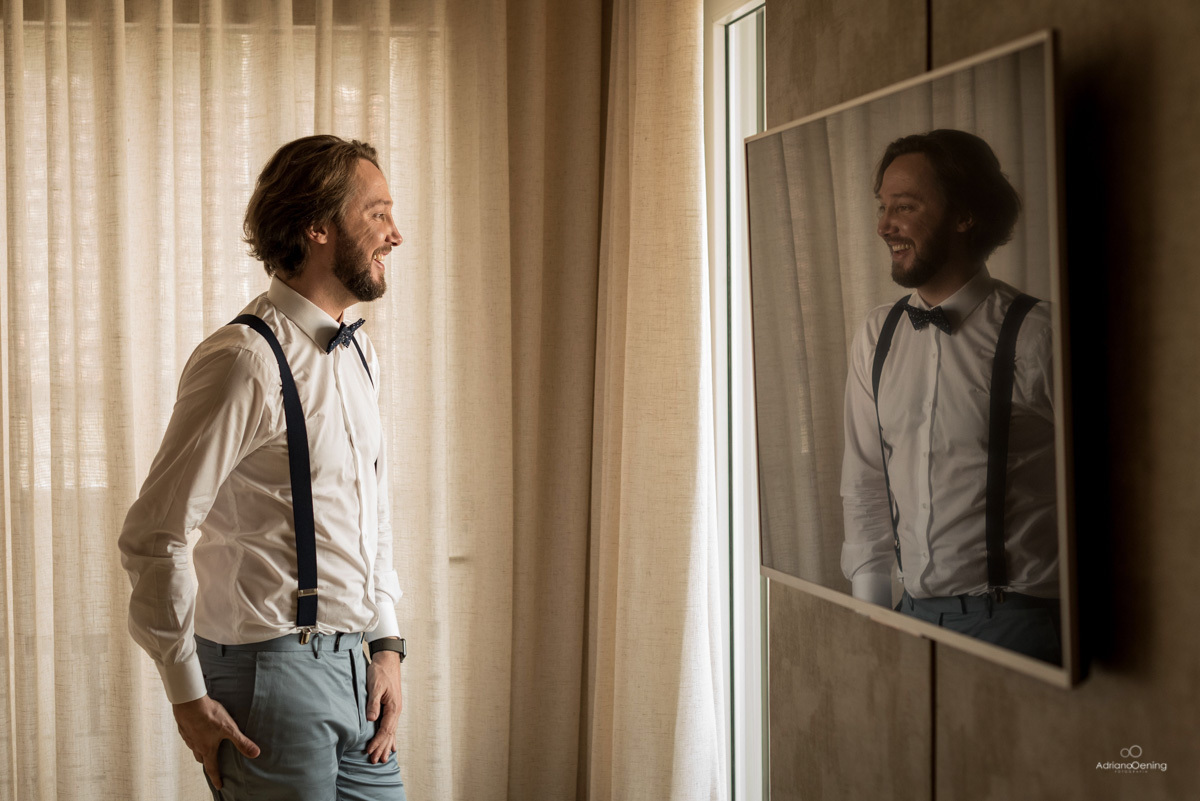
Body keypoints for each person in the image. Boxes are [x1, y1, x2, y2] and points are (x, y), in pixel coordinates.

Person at [119, 134, 408, 798]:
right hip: (269, 675)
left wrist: (386, 645)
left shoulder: (359, 354)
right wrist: (187, 693)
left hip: (357, 666)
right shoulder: (244, 359)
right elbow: (153, 535)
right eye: (377, 212)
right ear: (317, 227)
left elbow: (372, 514)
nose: (396, 233)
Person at [840, 129, 1061, 664]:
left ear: (965, 216)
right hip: (908, 614)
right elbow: (865, 482)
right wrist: (874, 616)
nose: (884, 225)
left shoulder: (1039, 334)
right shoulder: (877, 334)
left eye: (906, 206)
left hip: (1019, 621)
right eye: (883, 206)